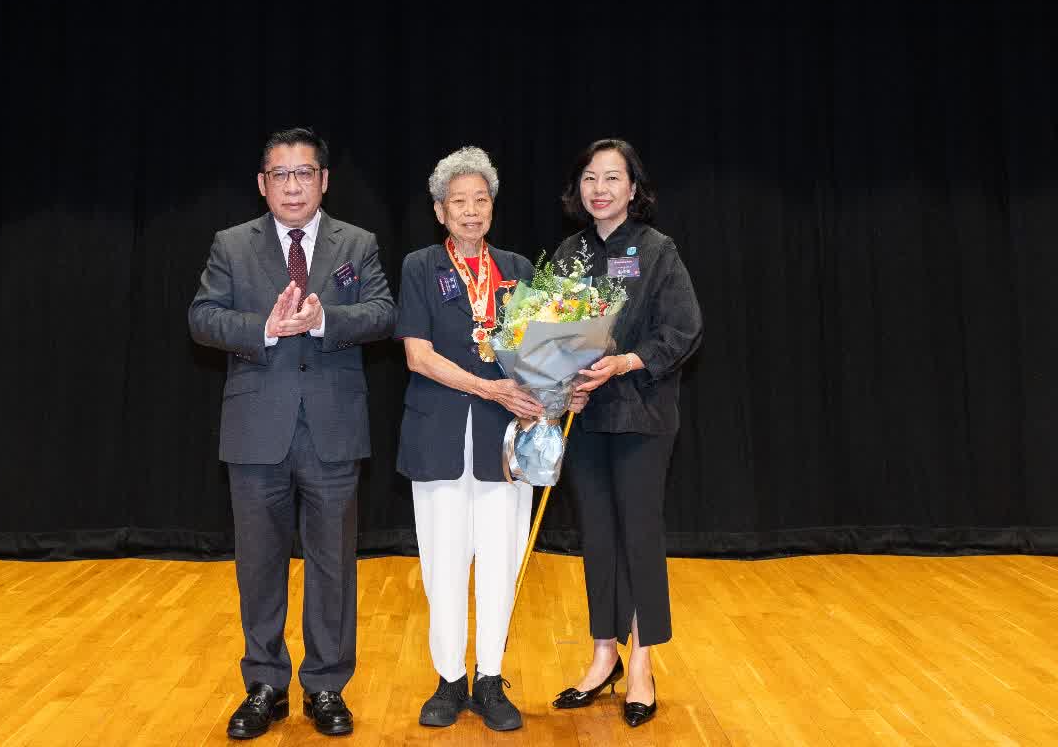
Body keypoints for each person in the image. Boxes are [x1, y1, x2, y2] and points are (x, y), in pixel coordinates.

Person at [189, 128, 396, 740]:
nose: (293, 185)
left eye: (304, 173)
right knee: (259, 563)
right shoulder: (232, 244)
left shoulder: (356, 243)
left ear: (324, 180)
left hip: (333, 429)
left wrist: (326, 319)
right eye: (280, 174)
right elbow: (202, 318)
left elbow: (383, 312)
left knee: (333, 564)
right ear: (262, 184)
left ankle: (326, 684)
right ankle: (264, 684)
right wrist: (267, 327)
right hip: (256, 431)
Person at [548, 139, 703, 729]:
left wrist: (626, 362)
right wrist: (562, 382)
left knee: (639, 534)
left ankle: (642, 661)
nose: (600, 189)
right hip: (586, 417)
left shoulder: (658, 250)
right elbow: (550, 335)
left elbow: (685, 329)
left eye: (613, 178)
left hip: (642, 415)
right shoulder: (569, 253)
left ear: (634, 188)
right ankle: (603, 654)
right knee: (596, 536)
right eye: (590, 177)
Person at [393, 147, 544, 733]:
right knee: (443, 563)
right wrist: (490, 388)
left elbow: (539, 355)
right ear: (440, 210)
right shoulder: (419, 267)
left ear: (493, 207)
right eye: (460, 201)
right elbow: (418, 355)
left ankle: (489, 678)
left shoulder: (517, 269)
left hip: (504, 439)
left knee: (501, 560)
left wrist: (555, 388)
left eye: (481, 199)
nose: (472, 210)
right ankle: (449, 679)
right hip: (438, 434)